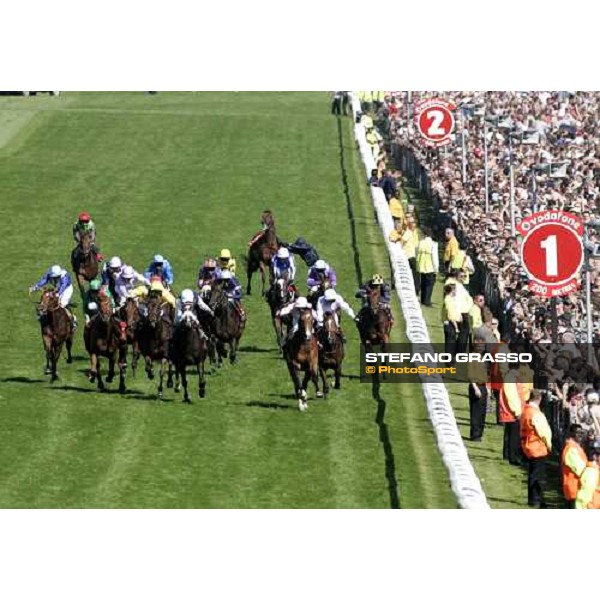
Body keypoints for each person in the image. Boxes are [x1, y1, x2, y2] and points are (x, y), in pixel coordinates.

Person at [520, 389, 552, 508]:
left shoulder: (526, 410)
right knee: (537, 476)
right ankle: (536, 499)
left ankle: (533, 499)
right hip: (537, 447)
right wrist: (549, 445)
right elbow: (544, 432)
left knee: (532, 474)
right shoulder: (536, 413)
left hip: (528, 445)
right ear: (539, 399)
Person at [499, 362, 525, 466]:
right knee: (514, 436)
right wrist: (517, 411)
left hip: (509, 411)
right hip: (512, 412)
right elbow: (512, 396)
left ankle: (507, 455)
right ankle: (513, 458)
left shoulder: (509, 377)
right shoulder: (510, 378)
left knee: (509, 434)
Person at [560, 424, 588, 508]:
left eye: (581, 432)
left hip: (576, 488)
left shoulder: (575, 447)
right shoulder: (571, 449)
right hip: (574, 488)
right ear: (571, 434)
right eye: (577, 432)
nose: (580, 435)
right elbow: (580, 469)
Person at [389, 218, 419, 293]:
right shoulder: (407, 232)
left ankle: (414, 287)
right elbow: (401, 240)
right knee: (415, 271)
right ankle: (416, 288)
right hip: (408, 255)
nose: (400, 227)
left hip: (410, 254)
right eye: (412, 223)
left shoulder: (409, 232)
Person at [468, 338, 489, 441]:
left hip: (483, 386)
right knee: (476, 411)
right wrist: (475, 388)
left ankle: (480, 433)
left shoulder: (482, 358)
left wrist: (487, 388)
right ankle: (475, 434)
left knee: (482, 412)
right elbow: (471, 375)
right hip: (476, 386)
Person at [416, 226, 439, 307]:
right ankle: (427, 301)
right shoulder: (433, 244)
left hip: (421, 266)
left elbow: (417, 253)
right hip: (430, 267)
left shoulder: (420, 243)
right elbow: (434, 258)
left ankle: (422, 299)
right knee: (429, 285)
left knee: (423, 283)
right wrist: (436, 269)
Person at [442, 284, 461, 357]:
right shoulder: (448, 300)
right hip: (451, 324)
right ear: (452, 291)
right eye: (455, 290)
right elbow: (450, 315)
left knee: (450, 343)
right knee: (450, 343)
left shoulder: (450, 299)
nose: (456, 291)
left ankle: (448, 359)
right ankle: (449, 360)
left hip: (451, 323)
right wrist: (456, 327)